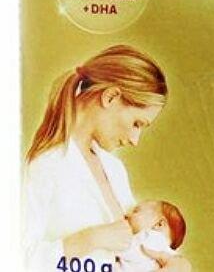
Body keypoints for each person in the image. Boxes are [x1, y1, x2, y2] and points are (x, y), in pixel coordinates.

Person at [24, 45, 191, 272]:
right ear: (111, 97)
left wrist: (178, 264)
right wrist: (87, 240)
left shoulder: (114, 169)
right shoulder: (42, 166)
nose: (135, 140)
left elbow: (142, 246)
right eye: (136, 123)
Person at [118, 200, 187, 272]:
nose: (127, 215)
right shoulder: (166, 253)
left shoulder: (154, 238)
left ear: (159, 224)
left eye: (136, 211)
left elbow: (122, 246)